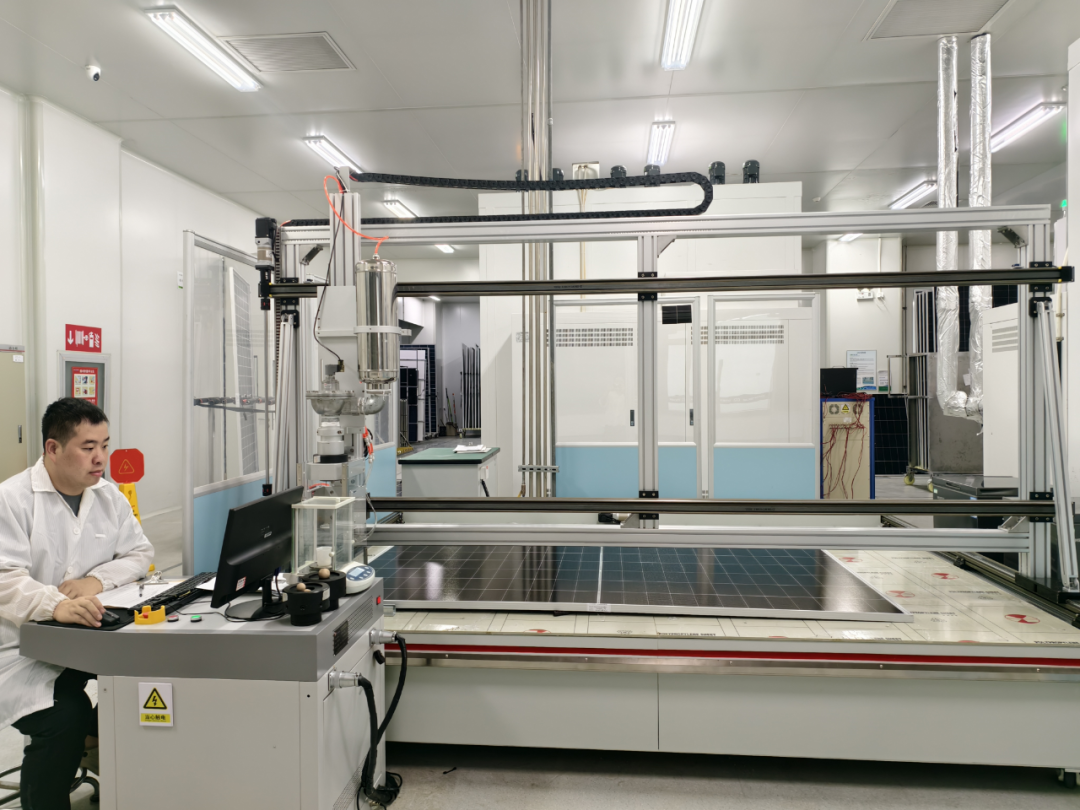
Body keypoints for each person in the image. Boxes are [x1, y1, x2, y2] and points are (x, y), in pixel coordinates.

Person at [0, 398, 153, 810]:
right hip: (16, 650)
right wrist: (53, 605)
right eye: (88, 447)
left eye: (105, 445)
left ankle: (104, 749)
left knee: (148, 669)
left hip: (82, 639)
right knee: (64, 715)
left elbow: (139, 553)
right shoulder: (11, 500)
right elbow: (3, 577)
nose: (100, 457)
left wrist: (95, 581)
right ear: (53, 448)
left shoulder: (107, 497)